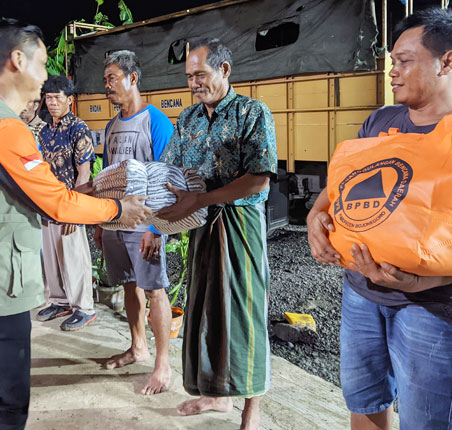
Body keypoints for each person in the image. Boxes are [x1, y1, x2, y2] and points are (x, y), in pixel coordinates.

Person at [0, 20, 151, 429]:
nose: (45, 77)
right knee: (2, 411)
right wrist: (118, 211)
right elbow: (54, 200)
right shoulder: (3, 126)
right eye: (42, 64)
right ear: (17, 60)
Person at [307, 9, 452, 430]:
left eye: (404, 61)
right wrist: (316, 214)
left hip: (435, 308)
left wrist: (418, 282)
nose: (392, 72)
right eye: (392, 62)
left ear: (448, 62)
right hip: (360, 293)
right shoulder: (381, 121)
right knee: (364, 400)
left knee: (428, 422)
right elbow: (345, 184)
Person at [158, 38, 277, 430]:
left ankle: (251, 409)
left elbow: (258, 180)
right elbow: (168, 173)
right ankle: (215, 396)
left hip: (239, 226)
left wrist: (202, 198)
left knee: (243, 312)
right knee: (206, 310)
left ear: (224, 71)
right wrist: (153, 224)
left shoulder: (251, 112)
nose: (194, 83)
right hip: (200, 226)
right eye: (190, 76)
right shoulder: (189, 119)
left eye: (201, 74)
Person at [96, 50, 175, 395]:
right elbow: (106, 178)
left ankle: (162, 364)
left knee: (155, 289)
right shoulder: (112, 126)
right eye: (105, 80)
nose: (107, 85)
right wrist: (102, 221)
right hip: (116, 221)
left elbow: (168, 178)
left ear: (133, 78)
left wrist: (157, 229)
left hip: (145, 223)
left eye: (113, 78)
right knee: (128, 284)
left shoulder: (155, 122)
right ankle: (137, 346)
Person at [35, 76, 96, 330]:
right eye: (48, 98)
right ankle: (60, 301)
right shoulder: (45, 130)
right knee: (51, 257)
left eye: (57, 97)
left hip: (70, 204)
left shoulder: (78, 128)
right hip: (49, 204)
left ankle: (85, 307)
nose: (52, 102)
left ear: (70, 100)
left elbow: (84, 173)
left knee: (74, 256)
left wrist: (75, 210)